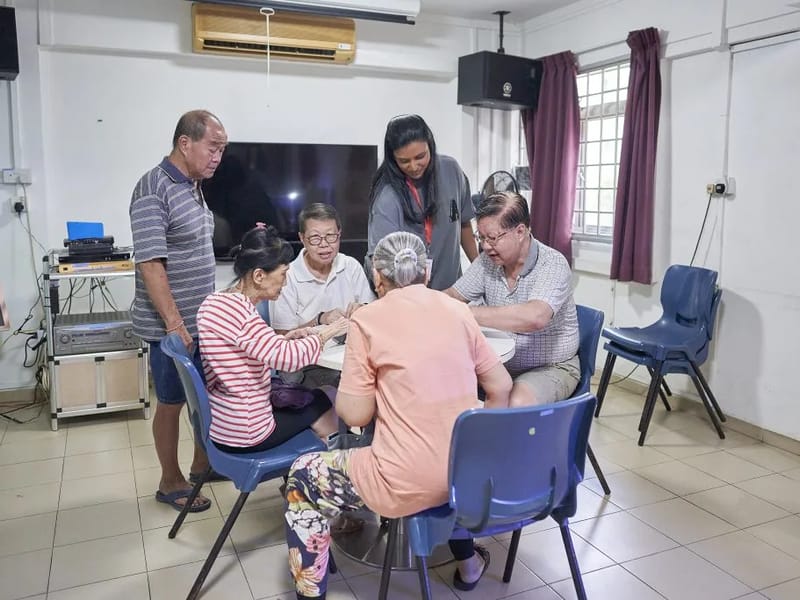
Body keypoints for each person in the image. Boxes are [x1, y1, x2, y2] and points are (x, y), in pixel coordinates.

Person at [284, 232, 512, 600]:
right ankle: (469, 562)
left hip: (404, 481)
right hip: (465, 474)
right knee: (439, 445)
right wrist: (481, 447)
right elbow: (500, 386)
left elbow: (355, 415)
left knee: (301, 477)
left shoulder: (368, 319)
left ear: (377, 276)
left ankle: (312, 587)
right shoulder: (457, 310)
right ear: (427, 270)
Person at [130, 109, 227, 513]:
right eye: (213, 147)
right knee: (171, 401)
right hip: (170, 326)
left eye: (222, 149)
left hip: (198, 321)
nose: (218, 156)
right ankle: (170, 481)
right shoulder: (154, 187)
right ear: (185, 144)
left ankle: (203, 466)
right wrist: (175, 326)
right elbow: (151, 264)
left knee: (202, 398)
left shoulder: (193, 184)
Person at [196, 225, 348, 453]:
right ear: (259, 276)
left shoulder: (215, 302)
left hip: (224, 420)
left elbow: (253, 347)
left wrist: (288, 338)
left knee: (317, 396)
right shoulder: (243, 315)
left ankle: (302, 475)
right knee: (330, 398)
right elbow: (288, 361)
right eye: (283, 274)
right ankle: (317, 477)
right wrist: (329, 331)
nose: (285, 283)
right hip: (248, 430)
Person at [445, 191, 580, 407]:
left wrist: (467, 312)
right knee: (442, 386)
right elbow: (453, 296)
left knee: (515, 404)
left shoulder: (552, 264)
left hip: (549, 367)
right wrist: (422, 301)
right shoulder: (488, 261)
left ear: (520, 231)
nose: (486, 246)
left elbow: (535, 317)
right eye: (481, 238)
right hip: (498, 363)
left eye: (493, 238)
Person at [366, 114, 478, 291]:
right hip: (409, 299)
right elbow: (381, 261)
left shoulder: (451, 171)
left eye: (420, 156)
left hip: (452, 293)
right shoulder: (386, 197)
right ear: (393, 159)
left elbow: (464, 224)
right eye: (404, 161)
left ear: (430, 146)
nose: (413, 166)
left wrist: (479, 269)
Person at [270, 203, 375, 388]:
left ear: (339, 234)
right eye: (315, 238)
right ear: (302, 238)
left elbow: (374, 314)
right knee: (351, 386)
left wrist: (364, 310)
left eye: (330, 236)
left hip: (347, 356)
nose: (325, 244)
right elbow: (282, 337)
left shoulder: (350, 266)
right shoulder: (289, 276)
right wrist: (320, 319)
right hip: (304, 366)